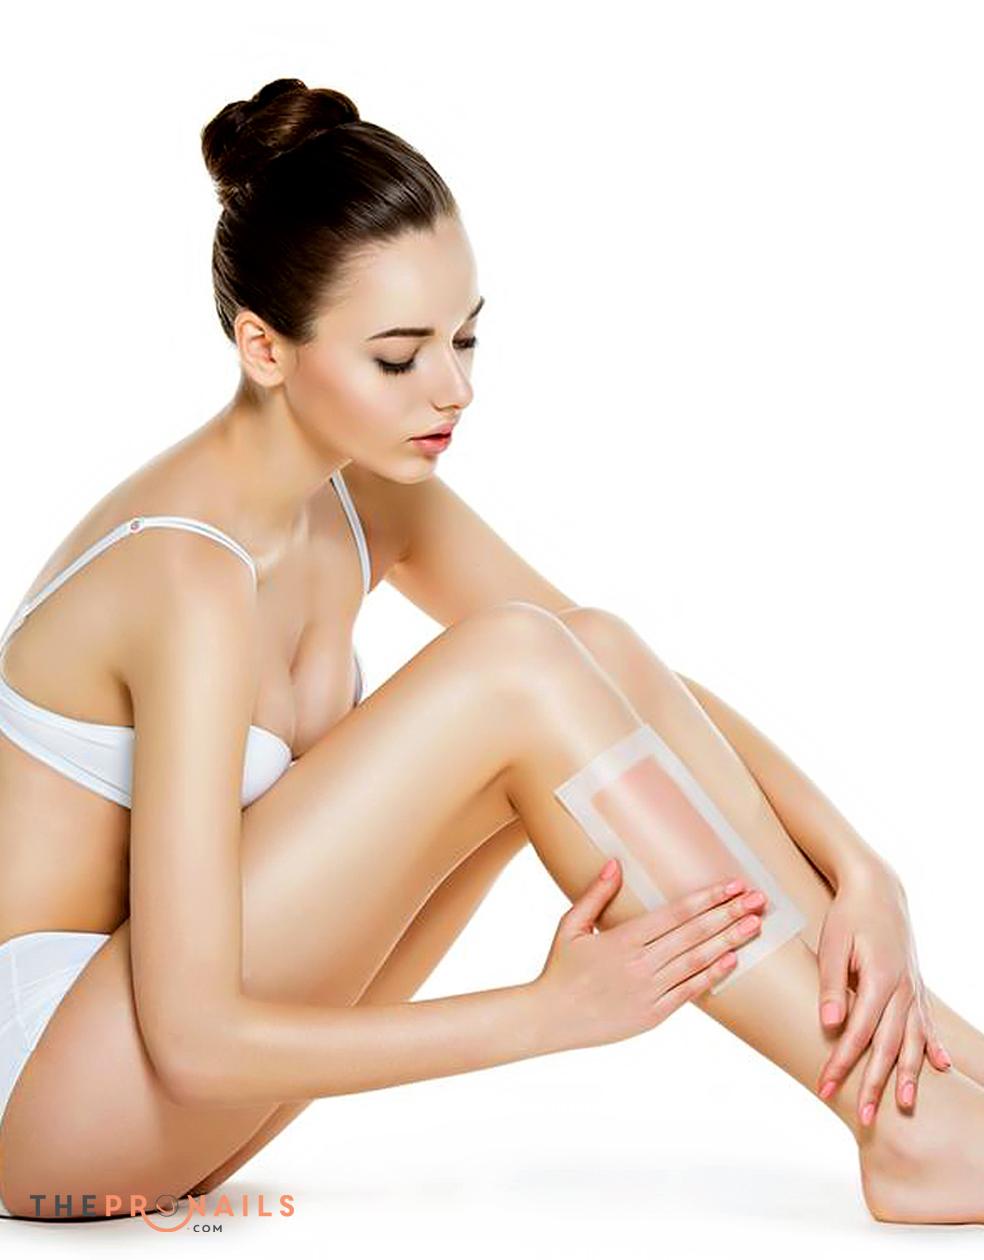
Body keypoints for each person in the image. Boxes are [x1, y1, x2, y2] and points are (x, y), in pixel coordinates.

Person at [0, 77, 980, 1227]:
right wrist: (543, 1016)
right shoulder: (187, 576)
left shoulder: (368, 495)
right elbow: (192, 1035)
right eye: (399, 357)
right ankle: (905, 1126)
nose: (455, 389)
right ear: (263, 347)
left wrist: (862, 867)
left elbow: (622, 687)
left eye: (464, 338)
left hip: (185, 1100)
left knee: (584, 646)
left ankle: (947, 1071)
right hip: (55, 1106)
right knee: (517, 666)